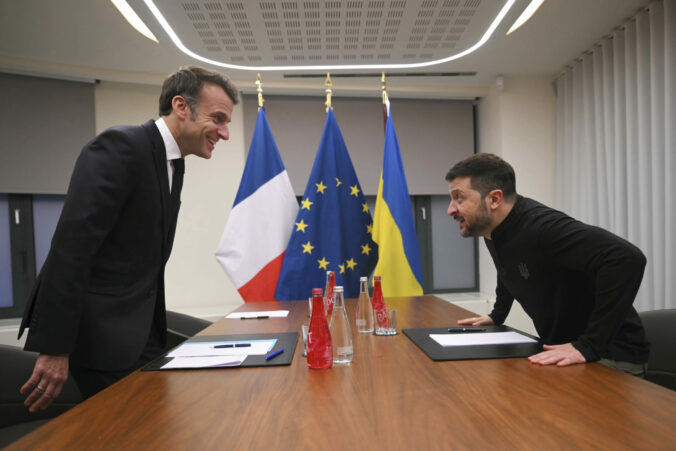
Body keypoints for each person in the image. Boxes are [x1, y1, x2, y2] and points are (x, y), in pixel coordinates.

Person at [18, 66, 239, 410]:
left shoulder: (175, 165)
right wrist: (55, 347)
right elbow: (71, 250)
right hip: (97, 344)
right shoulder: (122, 146)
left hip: (141, 339)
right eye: (219, 119)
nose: (225, 133)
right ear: (181, 107)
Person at [446, 153, 649, 375]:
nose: (451, 209)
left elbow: (626, 258)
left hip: (610, 357)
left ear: (494, 199)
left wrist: (589, 346)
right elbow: (507, 268)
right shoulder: (493, 232)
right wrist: (497, 314)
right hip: (562, 349)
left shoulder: (541, 227)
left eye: (459, 198)